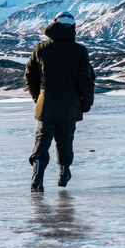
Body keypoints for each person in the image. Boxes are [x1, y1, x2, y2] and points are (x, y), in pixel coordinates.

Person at [25, 11, 95, 192]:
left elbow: (29, 75)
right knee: (65, 140)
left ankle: (37, 176)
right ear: (72, 27)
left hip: (45, 105)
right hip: (69, 106)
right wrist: (86, 102)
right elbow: (85, 80)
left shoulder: (41, 48)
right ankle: (64, 173)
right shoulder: (79, 50)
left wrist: (38, 98)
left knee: (42, 140)